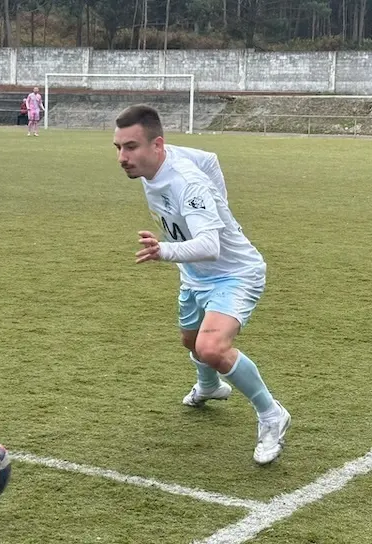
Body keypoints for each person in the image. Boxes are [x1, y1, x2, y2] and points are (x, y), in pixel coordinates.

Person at [112, 104, 291, 465]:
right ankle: (210, 387)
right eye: (118, 147)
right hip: (194, 274)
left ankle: (272, 414)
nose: (122, 157)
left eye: (131, 147)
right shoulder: (163, 161)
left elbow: (211, 246)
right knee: (190, 341)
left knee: (210, 347)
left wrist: (164, 250)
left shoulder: (186, 184)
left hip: (235, 272)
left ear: (157, 145)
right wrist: (220, 203)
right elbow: (210, 158)